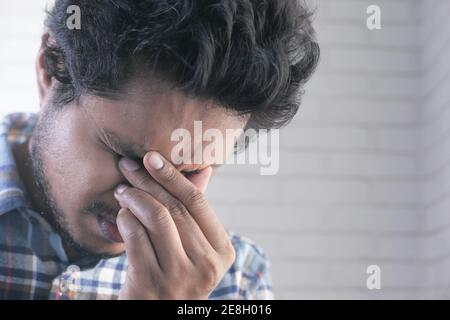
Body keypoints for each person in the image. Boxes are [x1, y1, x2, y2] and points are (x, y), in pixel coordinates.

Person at [0, 0, 319, 299]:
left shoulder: (237, 283)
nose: (146, 204)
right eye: (129, 158)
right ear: (48, 71)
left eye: (189, 172)